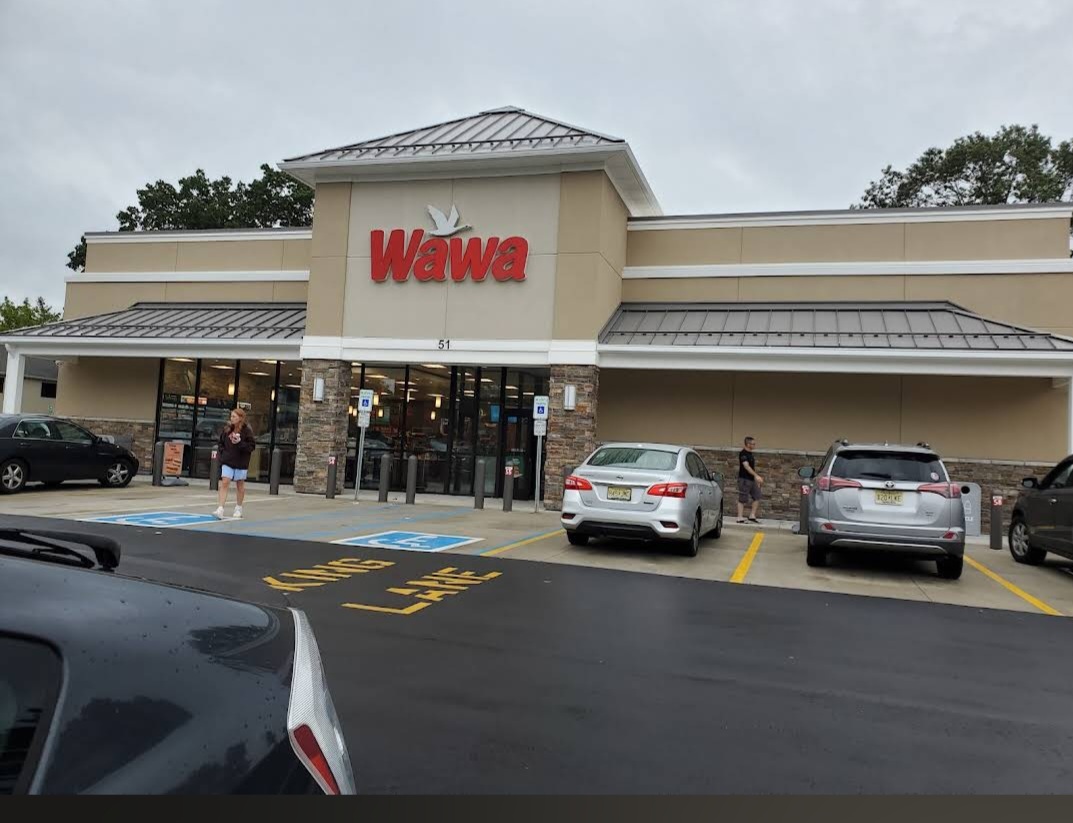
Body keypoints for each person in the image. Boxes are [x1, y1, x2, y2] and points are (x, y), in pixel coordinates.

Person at [214, 408, 256, 519]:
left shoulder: (247, 431)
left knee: (239, 484)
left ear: (240, 418)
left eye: (234, 416)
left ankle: (238, 508)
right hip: (227, 460)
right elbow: (221, 443)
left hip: (241, 462)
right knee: (225, 482)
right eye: (231, 416)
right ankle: (220, 508)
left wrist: (240, 443)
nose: (231, 418)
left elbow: (251, 446)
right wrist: (223, 453)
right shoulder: (227, 429)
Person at [737, 435, 763, 524]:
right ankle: (739, 517)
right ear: (748, 444)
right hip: (744, 479)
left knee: (757, 496)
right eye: (753, 444)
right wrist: (756, 476)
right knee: (742, 498)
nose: (754, 445)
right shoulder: (743, 454)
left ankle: (752, 515)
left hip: (751, 480)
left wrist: (755, 478)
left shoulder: (750, 454)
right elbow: (746, 466)